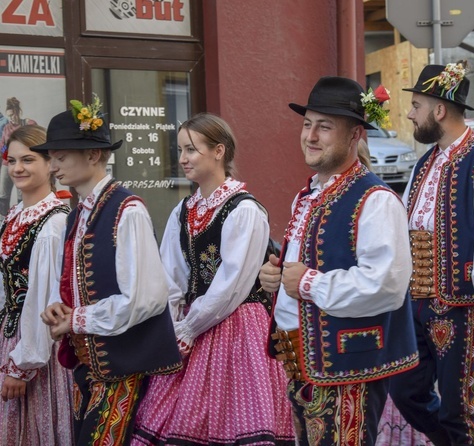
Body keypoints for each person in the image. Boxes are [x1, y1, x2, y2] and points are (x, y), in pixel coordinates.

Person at [259, 76, 419, 446]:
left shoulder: (375, 199)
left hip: (349, 367)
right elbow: (307, 265)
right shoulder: (309, 193)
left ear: (354, 135)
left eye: (324, 127)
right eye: (307, 124)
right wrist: (276, 279)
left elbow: (386, 286)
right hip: (302, 361)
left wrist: (307, 283)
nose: (310, 136)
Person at [131, 112, 294, 445]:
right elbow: (171, 275)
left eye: (191, 149)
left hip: (237, 327)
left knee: (231, 418)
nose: (182, 158)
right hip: (192, 324)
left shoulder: (244, 210)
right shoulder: (183, 210)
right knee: (173, 414)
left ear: (219, 151)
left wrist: (190, 327)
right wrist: (174, 323)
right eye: (180, 149)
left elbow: (232, 284)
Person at [35, 100, 183, 446]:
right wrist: (60, 308)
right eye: (52, 156)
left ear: (93, 155)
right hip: (89, 368)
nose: (53, 165)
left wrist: (77, 320)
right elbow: (79, 284)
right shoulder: (77, 215)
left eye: (61, 155)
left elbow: (145, 299)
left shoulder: (126, 211)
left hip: (123, 367)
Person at [387, 62, 474, 446]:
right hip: (415, 302)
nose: (410, 113)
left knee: (460, 408)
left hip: (459, 305)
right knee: (405, 392)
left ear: (439, 110)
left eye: (417, 105)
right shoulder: (426, 161)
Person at [0, 125, 73, 445]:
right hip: (9, 337)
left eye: (28, 159)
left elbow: (46, 298)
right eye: (12, 160)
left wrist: (22, 365)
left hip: (38, 345)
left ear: (49, 164)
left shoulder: (54, 221)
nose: (17, 168)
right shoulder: (14, 216)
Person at [0, 98, 37, 218]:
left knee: (22, 194)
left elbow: (37, 142)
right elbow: (2, 146)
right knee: (2, 194)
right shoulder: (6, 128)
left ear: (17, 111)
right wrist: (6, 152)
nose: (11, 118)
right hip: (7, 163)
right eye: (9, 116)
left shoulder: (28, 124)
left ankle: (23, 219)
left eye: (13, 115)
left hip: (24, 163)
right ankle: (3, 221)